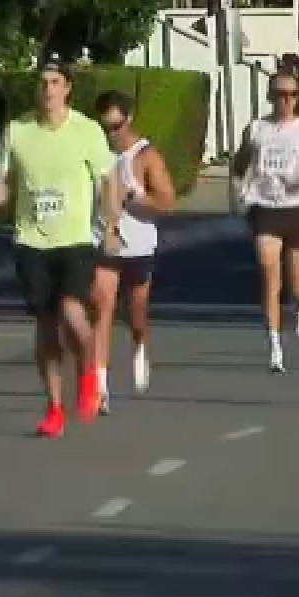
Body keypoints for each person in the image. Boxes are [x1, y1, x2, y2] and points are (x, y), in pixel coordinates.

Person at [0, 58, 122, 437]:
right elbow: (2, 176)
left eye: (55, 81)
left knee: (71, 309)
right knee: (45, 324)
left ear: (67, 88)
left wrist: (110, 225)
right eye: (42, 82)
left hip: (75, 238)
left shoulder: (87, 131)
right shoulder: (17, 131)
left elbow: (109, 180)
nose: (47, 89)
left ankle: (90, 374)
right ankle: (54, 409)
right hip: (30, 240)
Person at [90, 89, 177, 412]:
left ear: (129, 119)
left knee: (136, 314)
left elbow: (168, 202)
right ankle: (101, 387)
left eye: (116, 127)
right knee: (102, 308)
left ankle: (140, 345)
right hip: (103, 241)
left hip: (138, 244)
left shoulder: (145, 156)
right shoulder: (93, 151)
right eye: (105, 128)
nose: (111, 134)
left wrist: (135, 198)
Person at [232, 70, 299, 373]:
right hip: (266, 208)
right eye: (279, 94)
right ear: (270, 97)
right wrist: (239, 193)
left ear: (297, 99)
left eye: (291, 95)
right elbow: (240, 163)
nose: (285, 100)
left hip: (298, 209)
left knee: (298, 284)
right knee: (270, 274)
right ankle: (275, 346)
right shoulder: (256, 129)